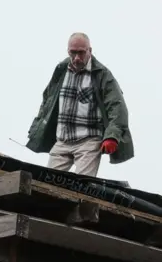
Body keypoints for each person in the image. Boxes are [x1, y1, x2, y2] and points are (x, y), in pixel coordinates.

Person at [27, 33, 134, 176]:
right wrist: (36, 128)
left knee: (82, 187)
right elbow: (47, 100)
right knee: (47, 183)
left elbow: (117, 107)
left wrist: (112, 136)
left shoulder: (102, 75)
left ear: (90, 50)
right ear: (68, 51)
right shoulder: (61, 70)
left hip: (89, 141)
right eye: (73, 52)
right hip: (62, 140)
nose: (77, 57)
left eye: (81, 52)